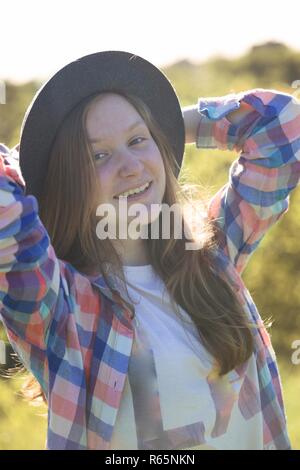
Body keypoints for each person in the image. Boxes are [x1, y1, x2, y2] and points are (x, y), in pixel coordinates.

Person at [0, 50, 299, 450]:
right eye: (98, 155)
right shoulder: (62, 308)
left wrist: (170, 124)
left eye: (138, 140)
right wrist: (38, 161)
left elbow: (283, 126)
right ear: (69, 176)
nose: (131, 166)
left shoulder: (210, 252)